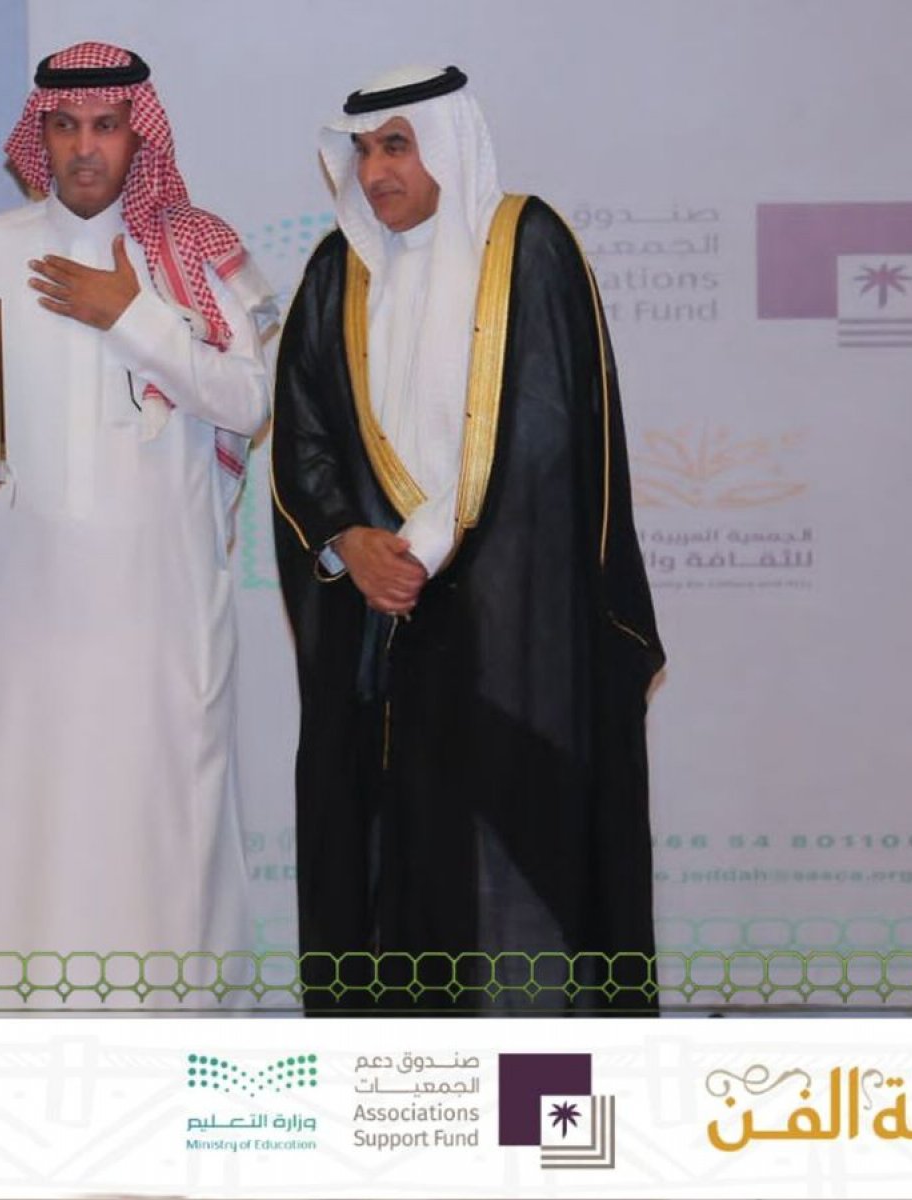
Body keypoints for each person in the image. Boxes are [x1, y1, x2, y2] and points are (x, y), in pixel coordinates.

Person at [271, 64, 666, 1013]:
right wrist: (346, 542)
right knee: (386, 859)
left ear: (447, 146)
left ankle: (536, 1088)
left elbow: (548, 430)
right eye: (362, 152)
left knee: (516, 865)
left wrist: (420, 546)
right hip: (377, 629)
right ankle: (396, 1087)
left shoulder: (528, 247)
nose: (374, 172)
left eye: (396, 147)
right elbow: (303, 435)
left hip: (510, 627)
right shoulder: (334, 272)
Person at [0, 42, 275, 1005]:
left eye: (105, 125)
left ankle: (164, 1043)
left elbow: (249, 400)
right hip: (24, 603)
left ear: (138, 135)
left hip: (157, 604)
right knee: (22, 815)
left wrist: (132, 316)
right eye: (64, 126)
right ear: (39, 136)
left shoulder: (197, 251)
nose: (85, 146)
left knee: (156, 820)